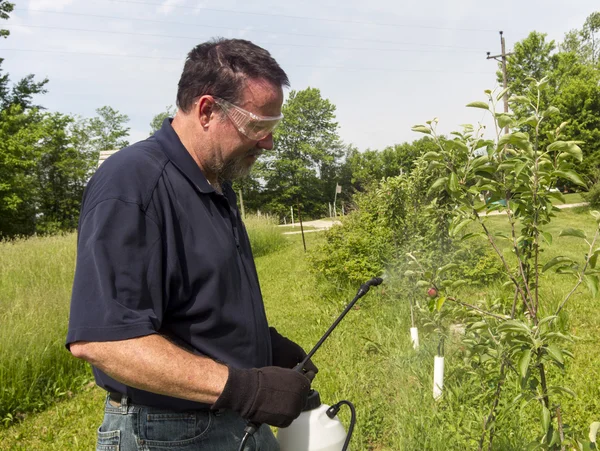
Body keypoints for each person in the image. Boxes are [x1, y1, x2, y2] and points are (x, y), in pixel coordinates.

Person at [66, 38, 317, 451]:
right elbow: (104, 340)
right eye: (259, 126)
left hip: (232, 416)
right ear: (207, 110)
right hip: (169, 432)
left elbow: (199, 300)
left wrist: (261, 345)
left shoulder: (215, 183)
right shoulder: (133, 182)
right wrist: (247, 389)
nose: (269, 143)